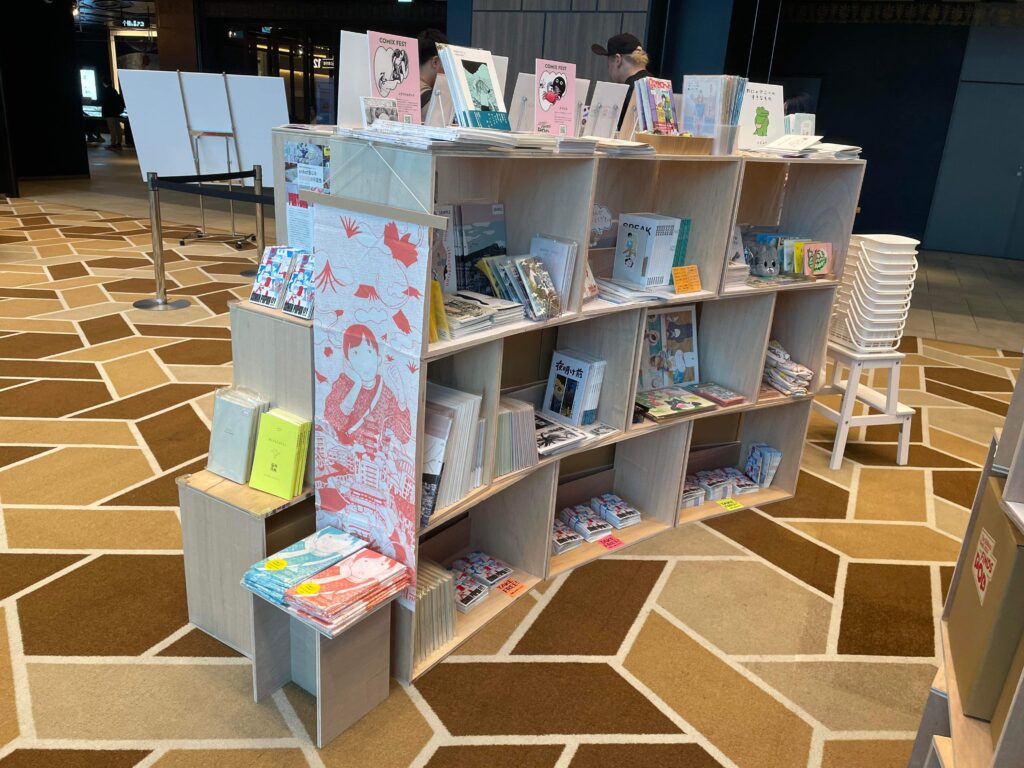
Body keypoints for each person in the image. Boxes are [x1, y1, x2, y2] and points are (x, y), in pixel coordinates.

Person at [590, 33, 652, 131]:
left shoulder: (624, 93)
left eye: (608, 61)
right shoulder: (658, 86)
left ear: (618, 60)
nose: (608, 68)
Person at [418, 29, 448, 119]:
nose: (447, 71)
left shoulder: (402, 91)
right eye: (446, 63)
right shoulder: (434, 101)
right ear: (435, 62)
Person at [99, 78, 125, 150]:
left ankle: (113, 144)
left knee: (112, 128)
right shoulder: (114, 90)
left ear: (104, 83)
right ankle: (119, 143)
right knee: (117, 128)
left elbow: (104, 102)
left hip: (109, 113)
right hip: (116, 112)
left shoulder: (106, 91)